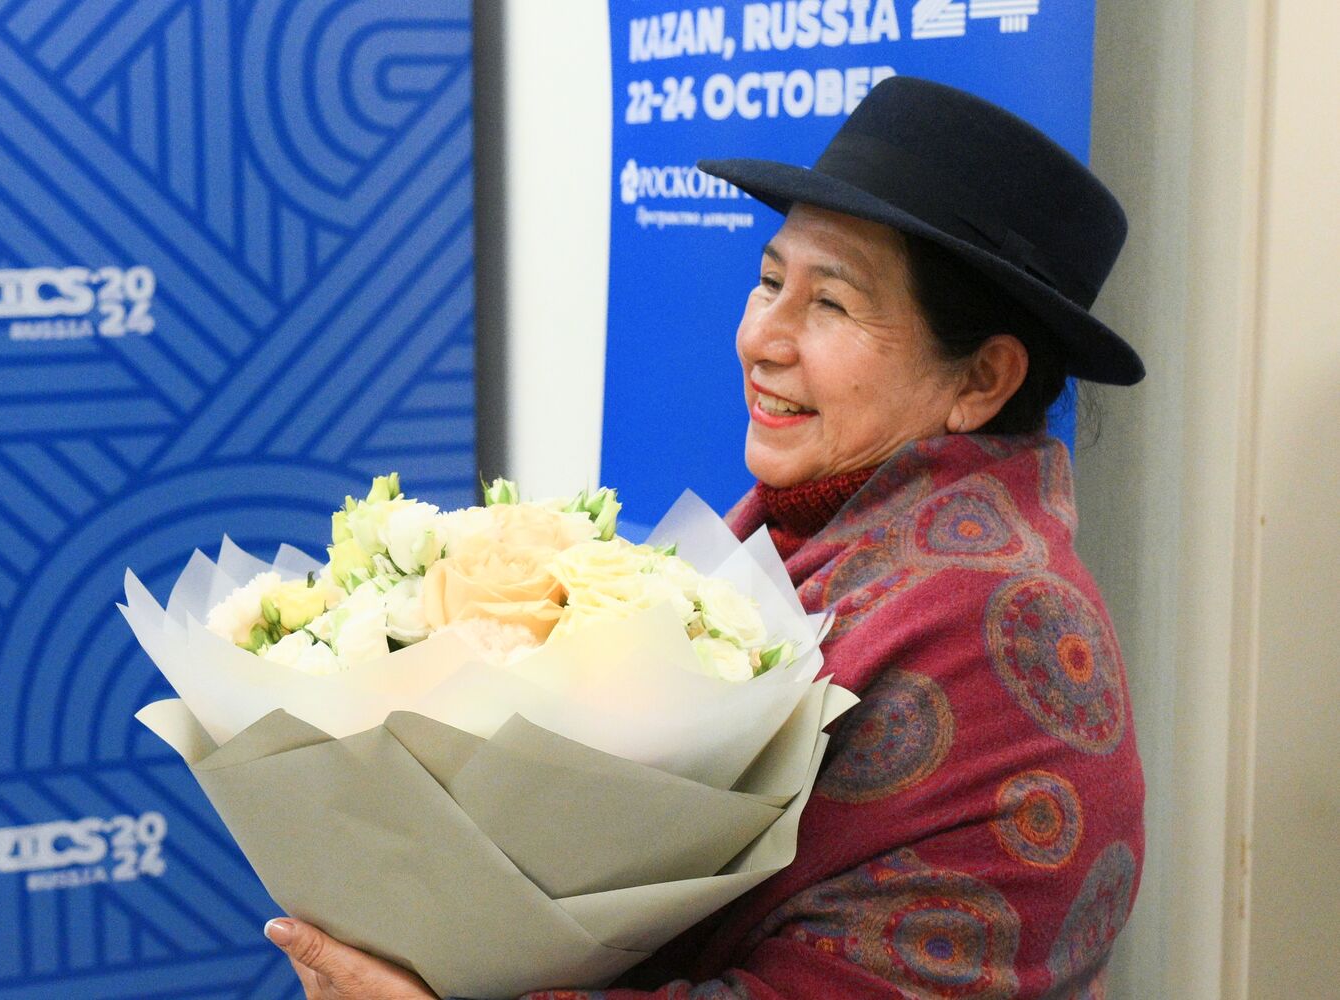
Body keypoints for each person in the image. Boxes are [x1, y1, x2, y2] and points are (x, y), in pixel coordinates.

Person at [263, 76, 1147, 999]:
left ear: (982, 379)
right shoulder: (803, 543)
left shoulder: (997, 630)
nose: (762, 337)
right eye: (768, 282)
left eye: (831, 305)